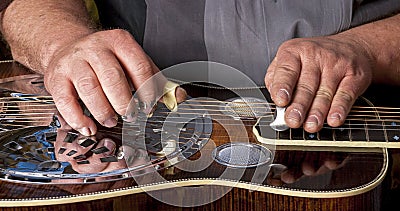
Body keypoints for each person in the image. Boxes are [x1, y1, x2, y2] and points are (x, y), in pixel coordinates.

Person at [1, 0, 400, 136]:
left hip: (355, 133)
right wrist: (64, 45)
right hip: (144, 135)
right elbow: (28, 7)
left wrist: (364, 48)